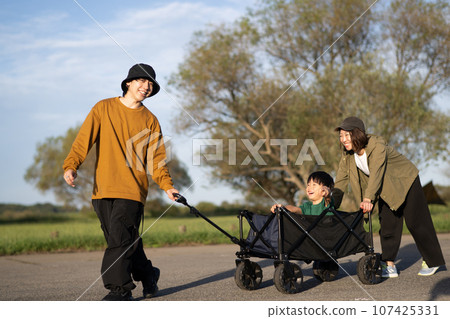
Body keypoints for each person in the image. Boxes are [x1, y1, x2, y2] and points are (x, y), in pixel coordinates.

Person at [63, 63, 179, 301]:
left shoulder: (150, 120)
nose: (146, 87)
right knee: (122, 240)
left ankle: (120, 290)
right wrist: (71, 165)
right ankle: (148, 274)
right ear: (128, 82)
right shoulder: (103, 108)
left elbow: (156, 158)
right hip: (102, 189)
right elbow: (84, 139)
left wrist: (167, 185)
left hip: (132, 190)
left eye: (150, 84)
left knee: (119, 239)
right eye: (141, 81)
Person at [332, 116, 445, 278]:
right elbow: (341, 179)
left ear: (357, 134)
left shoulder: (377, 146)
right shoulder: (347, 155)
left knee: (416, 222)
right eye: (341, 136)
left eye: (346, 135)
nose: (343, 140)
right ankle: (389, 264)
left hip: (406, 181)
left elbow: (377, 172)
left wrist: (368, 198)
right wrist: (331, 205)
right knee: (387, 225)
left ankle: (433, 261)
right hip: (384, 188)